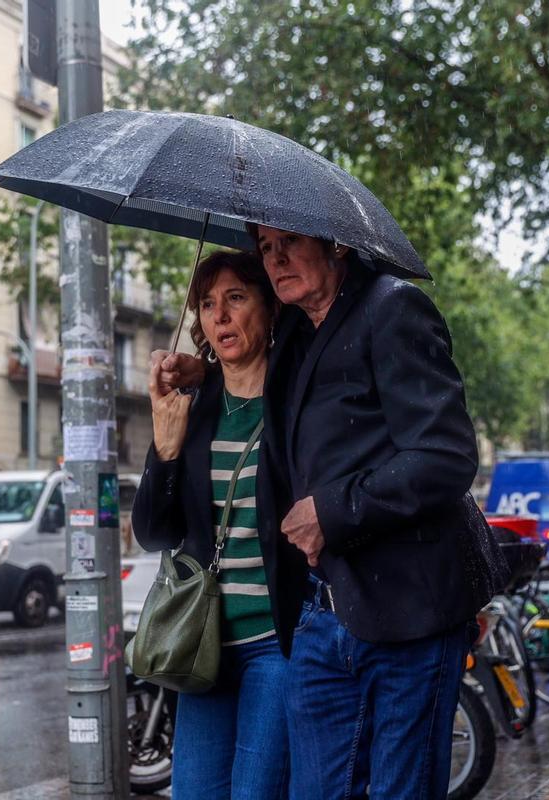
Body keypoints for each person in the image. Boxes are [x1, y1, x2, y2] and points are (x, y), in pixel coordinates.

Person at [153, 227, 508, 799]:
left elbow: (446, 456)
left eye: (290, 242)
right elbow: (248, 353)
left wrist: (332, 511)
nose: (277, 259)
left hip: (411, 608)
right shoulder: (299, 329)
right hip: (324, 615)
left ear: (337, 244)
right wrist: (206, 373)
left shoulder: (393, 308)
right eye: (266, 249)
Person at [132, 249, 297, 799]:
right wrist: (166, 448)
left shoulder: (296, 399)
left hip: (276, 643)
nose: (220, 316)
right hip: (201, 646)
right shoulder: (193, 405)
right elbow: (153, 533)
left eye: (236, 298)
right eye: (206, 304)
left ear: (270, 309)